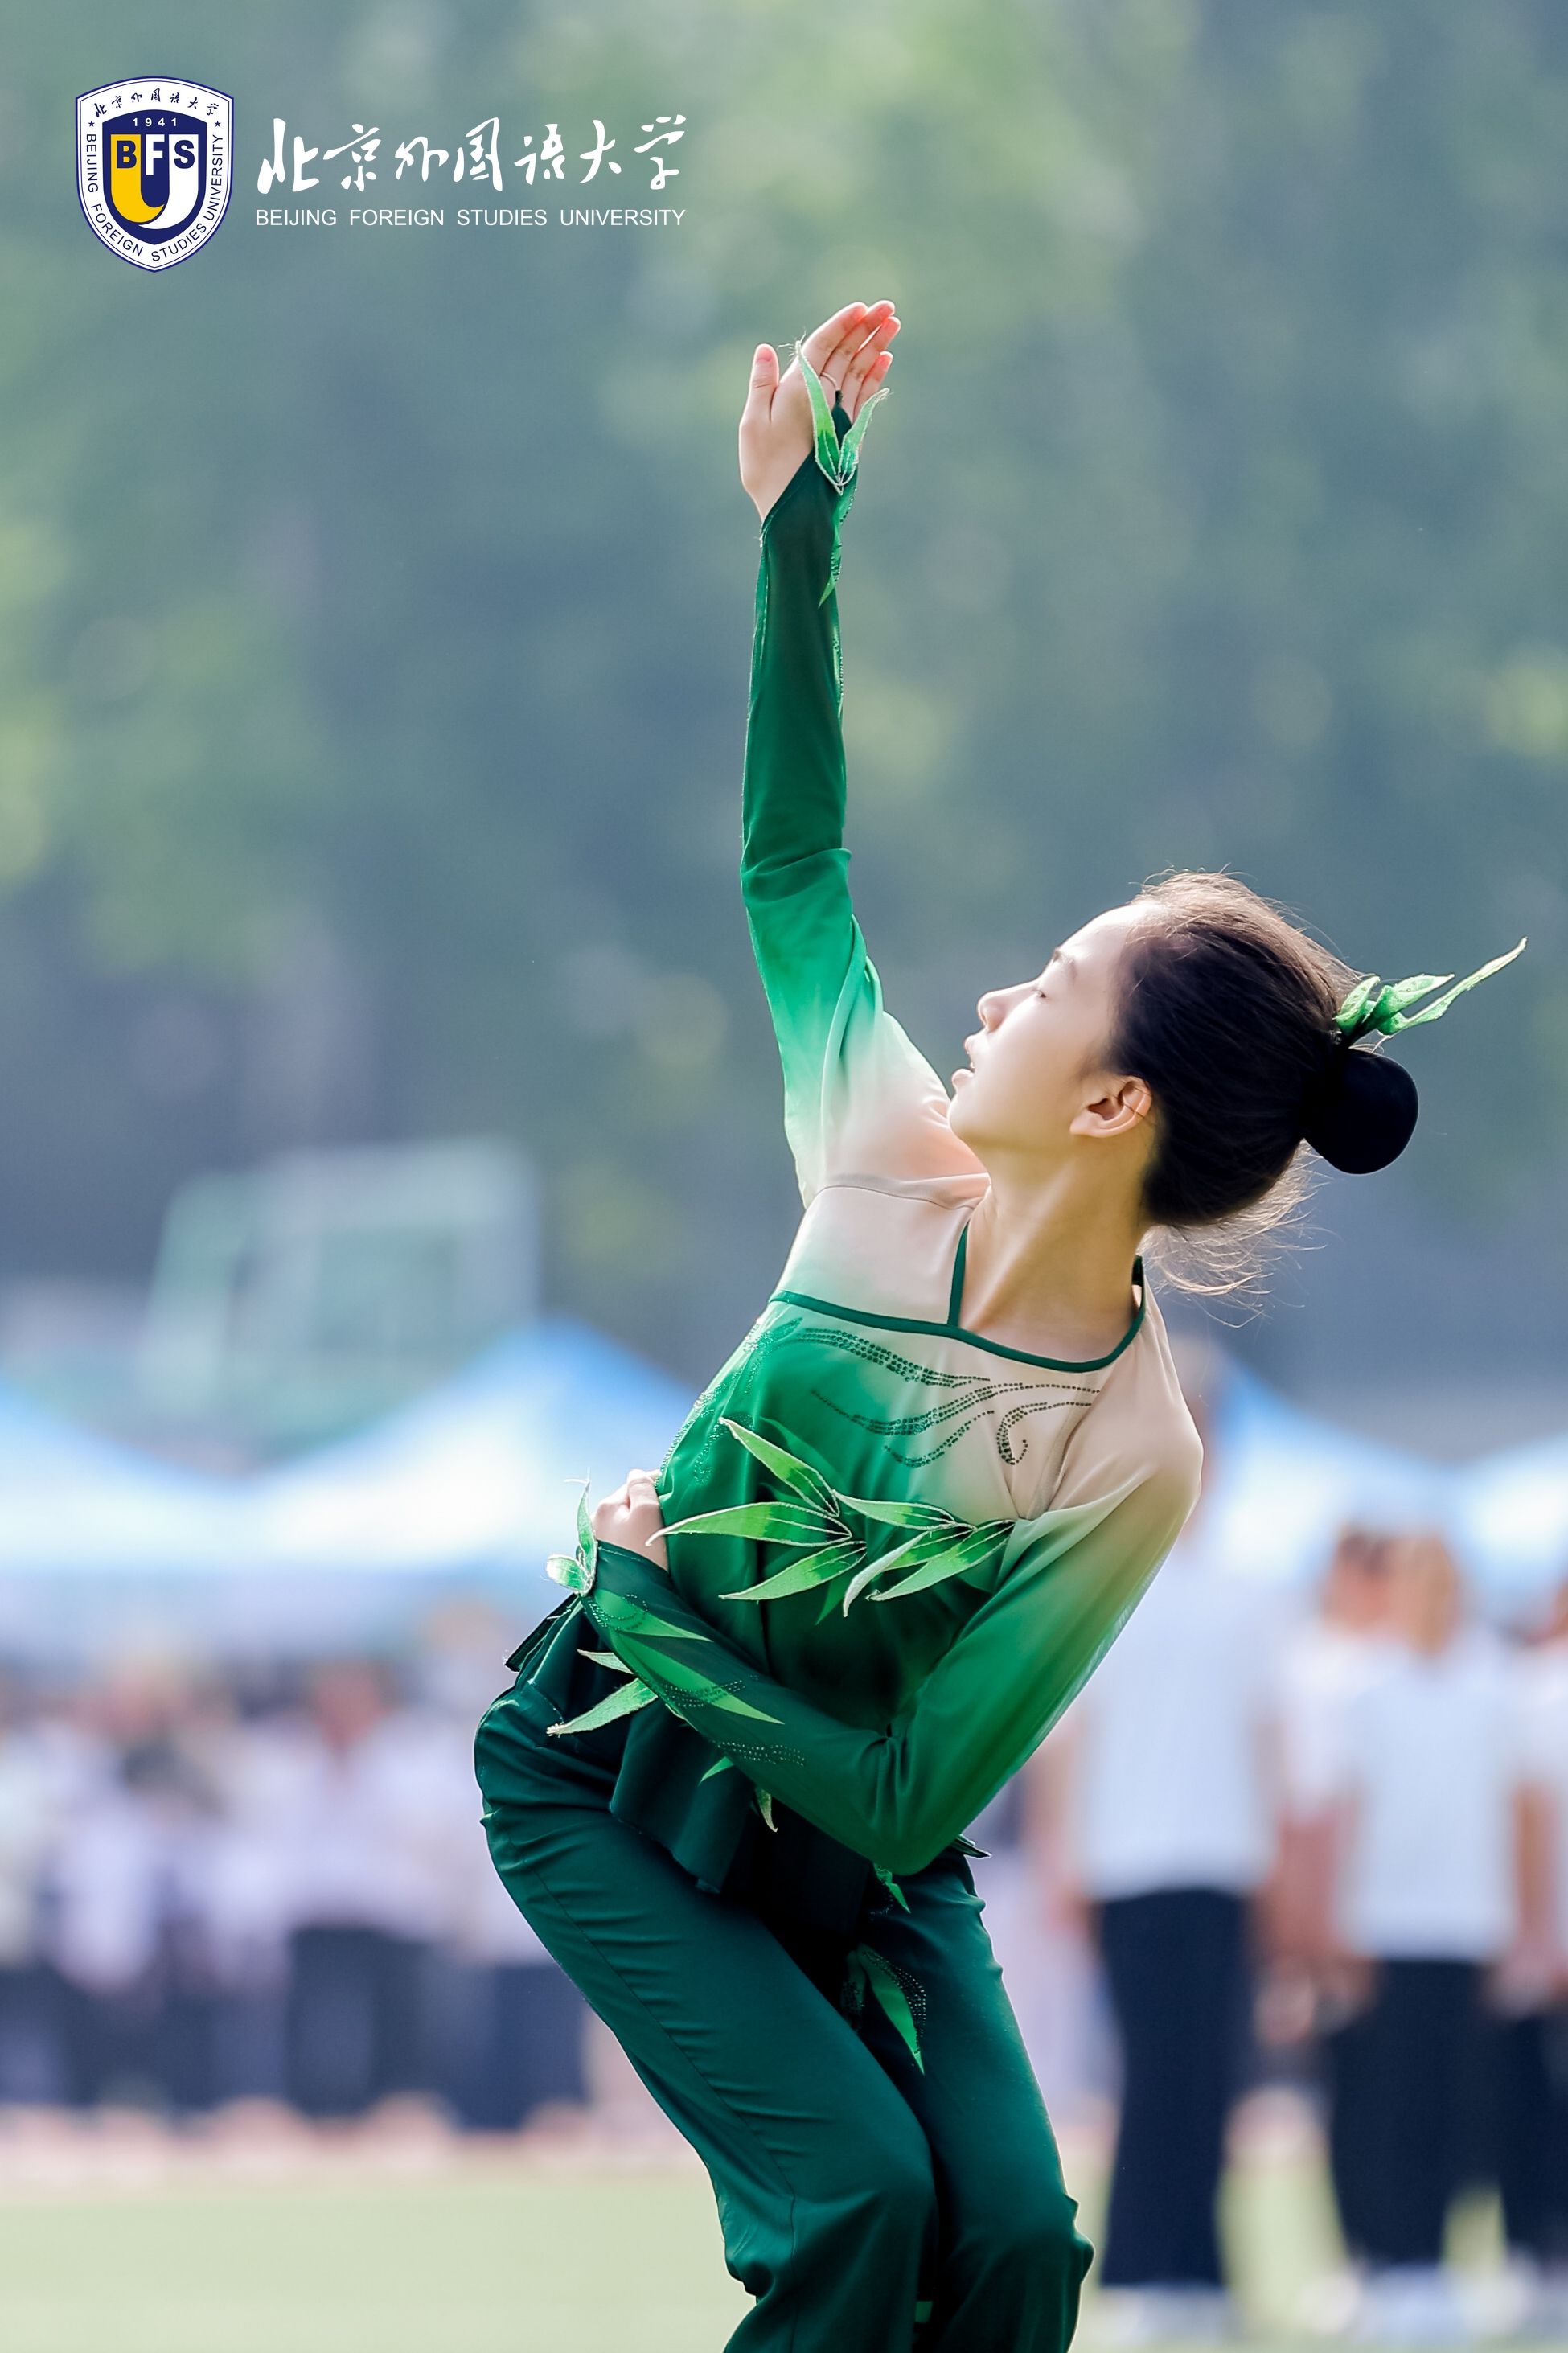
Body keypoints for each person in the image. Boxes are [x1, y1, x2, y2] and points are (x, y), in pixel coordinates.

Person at [474, 299, 1524, 2353]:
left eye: (1045, 988)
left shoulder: (1136, 1453)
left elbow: (898, 1799)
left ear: (1112, 1106)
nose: (987, 1001)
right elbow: (792, 863)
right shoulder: (878, 1160)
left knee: (1025, 2245)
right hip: (602, 1771)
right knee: (862, 2202)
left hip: (844, 1851)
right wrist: (798, 526)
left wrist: (658, 1595)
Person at [1053, 1401, 1289, 2340]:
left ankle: (1204, 2268)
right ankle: (1142, 2269)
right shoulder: (1099, 1578)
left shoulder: (1252, 1590)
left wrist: (1280, 1865)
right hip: (1128, 1861)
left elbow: (1270, 1740)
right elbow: (1068, 1735)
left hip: (1227, 1859)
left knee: (1215, 2073)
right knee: (1152, 2071)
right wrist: (1068, 1857)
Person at [1318, 1533, 1532, 2342]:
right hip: (1387, 1925)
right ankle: (1392, 2260)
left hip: (1470, 1924)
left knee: (1459, 2105)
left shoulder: (1495, 1682)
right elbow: (1346, 1812)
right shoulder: (1365, 1685)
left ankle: (1436, 2264)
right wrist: (1337, 1922)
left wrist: (1523, 1923)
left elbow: (1520, 1810)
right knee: (1391, 2103)